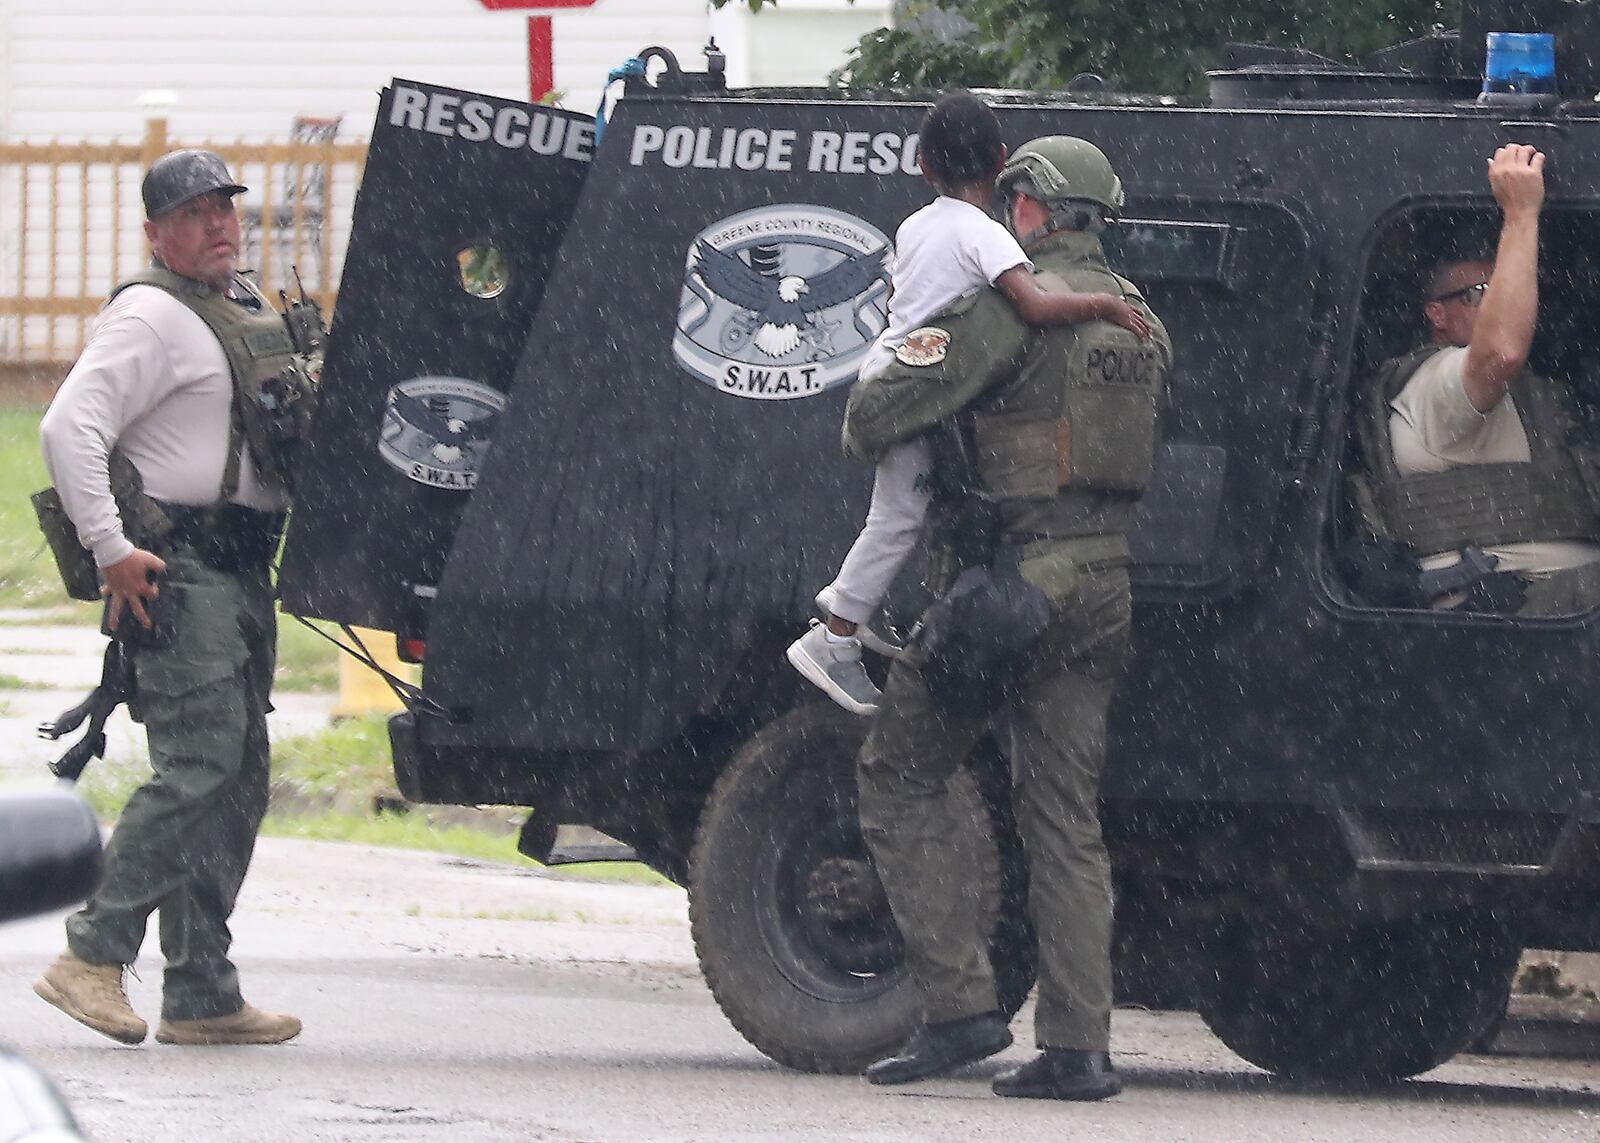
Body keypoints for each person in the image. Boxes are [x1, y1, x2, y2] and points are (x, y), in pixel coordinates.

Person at [841, 136, 1171, 1100]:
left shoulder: (1001, 311)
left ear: (1030, 207)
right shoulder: (1145, 321)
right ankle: (1078, 1047)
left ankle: (960, 1008)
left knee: (899, 772)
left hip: (1010, 589)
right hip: (1103, 586)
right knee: (1064, 817)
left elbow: (873, 419)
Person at [33, 149, 315, 1047]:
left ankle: (200, 988)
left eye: (224, 207)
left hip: (238, 570)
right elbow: (66, 425)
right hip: (178, 571)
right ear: (157, 233)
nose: (218, 225)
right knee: (198, 767)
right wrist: (111, 549)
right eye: (193, 214)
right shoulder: (150, 315)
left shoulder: (234, 307)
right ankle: (91, 955)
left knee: (237, 778)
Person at [785, 90, 1151, 716]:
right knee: (899, 516)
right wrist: (1106, 304)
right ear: (1002, 161)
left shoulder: (916, 224)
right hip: (918, 388)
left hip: (899, 369)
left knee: (908, 508)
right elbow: (1033, 305)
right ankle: (836, 636)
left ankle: (851, 609)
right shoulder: (985, 235)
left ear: (924, 167)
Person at [1362, 142, 1600, 615]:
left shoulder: (1541, 394)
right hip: (1527, 613)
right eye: (1481, 294)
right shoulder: (1432, 384)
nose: (1499, 302)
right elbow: (1500, 352)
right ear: (1438, 314)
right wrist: (1521, 216)